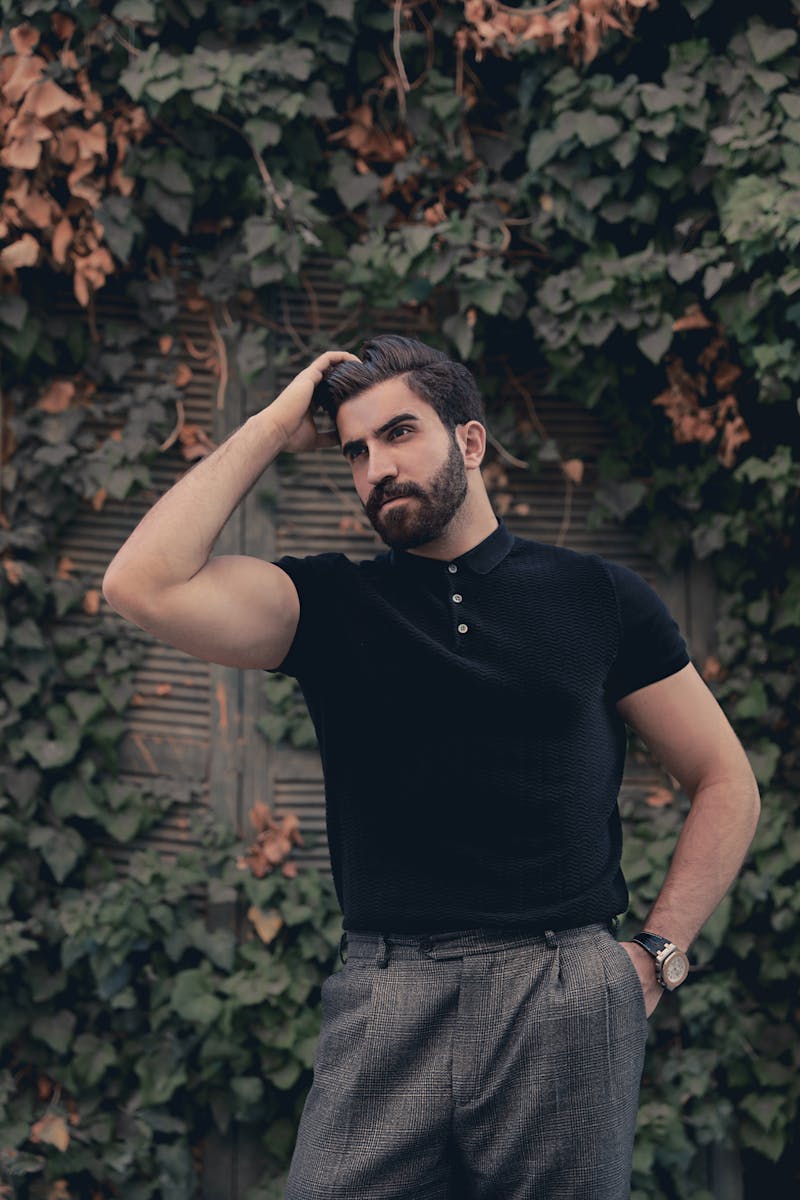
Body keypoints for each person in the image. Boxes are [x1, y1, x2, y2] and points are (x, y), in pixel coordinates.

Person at [103, 335, 760, 1199]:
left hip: (563, 989)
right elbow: (140, 584)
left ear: (471, 441)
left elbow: (724, 780)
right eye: (355, 450)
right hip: (387, 993)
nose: (377, 466)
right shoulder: (330, 605)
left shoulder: (599, 599)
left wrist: (657, 956)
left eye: (401, 433)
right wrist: (271, 422)